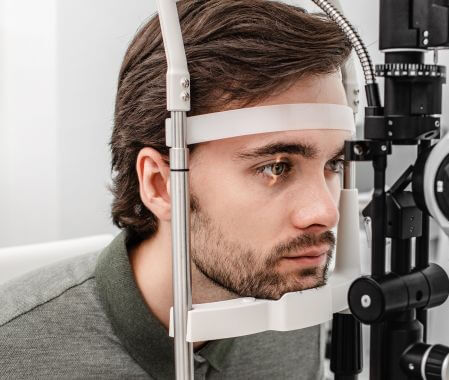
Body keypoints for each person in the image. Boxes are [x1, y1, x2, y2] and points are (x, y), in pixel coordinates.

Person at [0, 1, 351, 378]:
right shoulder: (15, 350)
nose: (326, 212)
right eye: (275, 168)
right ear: (160, 184)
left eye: (333, 164)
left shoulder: (291, 302)